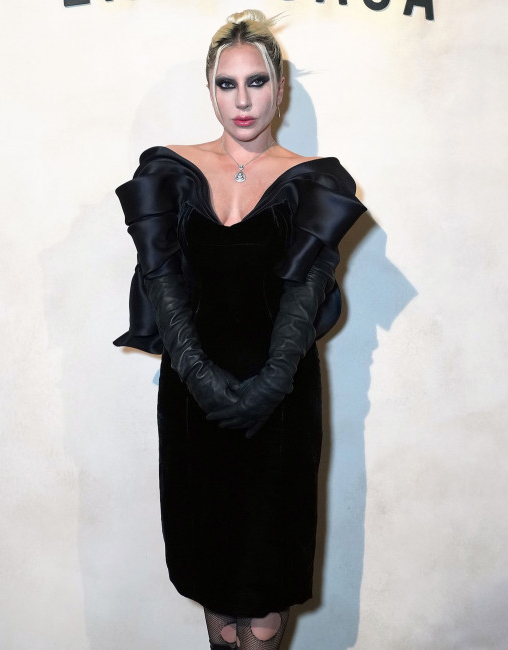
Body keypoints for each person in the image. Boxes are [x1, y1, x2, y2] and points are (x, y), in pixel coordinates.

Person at [114, 10, 367, 650]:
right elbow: (163, 285)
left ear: (279, 86)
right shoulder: (168, 171)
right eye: (227, 84)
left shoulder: (317, 179)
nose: (243, 100)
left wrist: (265, 389)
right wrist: (204, 382)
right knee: (217, 592)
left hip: (279, 410)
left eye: (257, 82)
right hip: (193, 405)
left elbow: (303, 299)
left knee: (261, 600)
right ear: (210, 89)